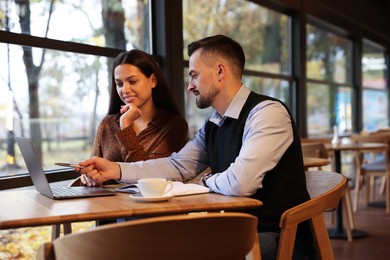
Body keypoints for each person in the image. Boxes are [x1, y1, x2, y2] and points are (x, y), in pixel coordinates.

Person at [78, 35, 315, 259]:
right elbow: (178, 165)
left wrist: (205, 180)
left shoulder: (267, 113)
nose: (190, 86)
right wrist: (116, 170)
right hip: (238, 232)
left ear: (220, 71)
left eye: (194, 75)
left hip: (281, 237)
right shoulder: (214, 123)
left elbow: (241, 183)